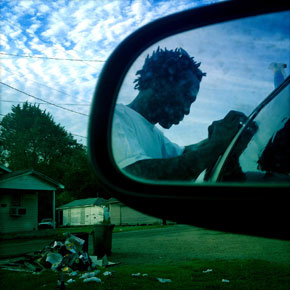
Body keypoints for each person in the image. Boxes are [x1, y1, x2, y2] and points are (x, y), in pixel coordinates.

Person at [112, 47, 247, 180]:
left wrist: (222, 136)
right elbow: (137, 173)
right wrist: (216, 146)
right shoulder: (116, 117)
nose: (187, 110)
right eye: (186, 98)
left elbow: (184, 153)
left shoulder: (155, 134)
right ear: (159, 83)